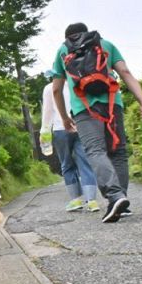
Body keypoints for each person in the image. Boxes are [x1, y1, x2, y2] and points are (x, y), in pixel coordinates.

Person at [52, 23, 142, 223]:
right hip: (112, 104)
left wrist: (64, 117)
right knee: (118, 151)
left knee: (95, 151)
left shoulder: (63, 50)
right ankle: (121, 200)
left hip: (83, 108)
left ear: (68, 37)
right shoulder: (105, 44)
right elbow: (125, 72)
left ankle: (115, 197)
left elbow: (56, 89)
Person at [40, 71, 99, 212]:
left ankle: (76, 200)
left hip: (61, 129)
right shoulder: (80, 85)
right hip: (81, 127)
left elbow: (47, 112)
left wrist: (44, 131)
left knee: (67, 164)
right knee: (85, 163)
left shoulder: (50, 88)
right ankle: (92, 201)